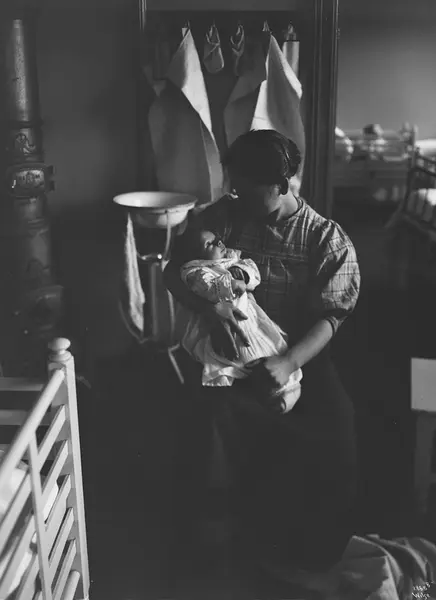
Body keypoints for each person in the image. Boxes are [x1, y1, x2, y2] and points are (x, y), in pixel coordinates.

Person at [164, 129, 361, 576]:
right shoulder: (225, 216)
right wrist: (212, 309)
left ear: (281, 184)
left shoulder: (325, 239)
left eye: (246, 189)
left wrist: (288, 362)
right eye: (233, 186)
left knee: (337, 430)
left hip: (298, 353)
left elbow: (332, 317)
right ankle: (220, 549)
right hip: (230, 351)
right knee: (210, 423)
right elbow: (177, 272)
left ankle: (310, 553)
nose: (235, 196)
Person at [175, 227, 303, 412]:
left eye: (217, 239)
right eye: (209, 244)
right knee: (243, 353)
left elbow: (253, 272)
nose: (219, 243)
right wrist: (230, 283)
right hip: (226, 325)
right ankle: (270, 393)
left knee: (272, 348)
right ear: (196, 256)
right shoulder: (196, 271)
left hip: (251, 318)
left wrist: (242, 273)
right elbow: (206, 287)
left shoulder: (231, 258)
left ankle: (284, 388)